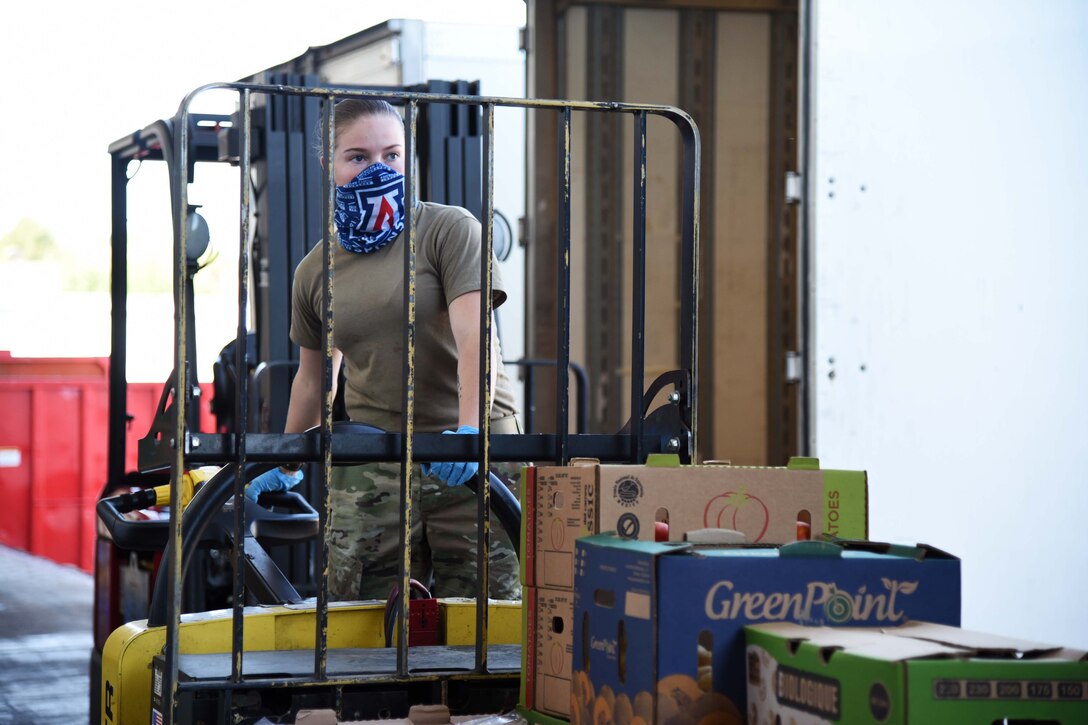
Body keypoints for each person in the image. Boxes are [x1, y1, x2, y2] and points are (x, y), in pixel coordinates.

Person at [246, 98, 522, 602]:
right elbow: (314, 379)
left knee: (486, 620)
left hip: (471, 451)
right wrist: (285, 459)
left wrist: (469, 434)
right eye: (358, 157)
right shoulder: (315, 271)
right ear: (330, 164)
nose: (378, 169)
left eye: (392, 156)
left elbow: (473, 339)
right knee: (362, 619)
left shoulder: (448, 231)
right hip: (375, 454)